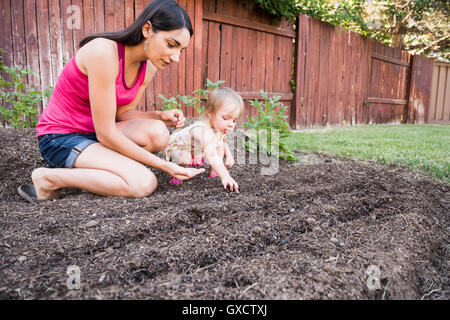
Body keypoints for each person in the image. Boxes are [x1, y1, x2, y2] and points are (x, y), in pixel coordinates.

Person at [17, 0, 205, 204]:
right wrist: (166, 166)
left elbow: (122, 114)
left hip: (93, 134)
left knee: (158, 133)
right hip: (61, 138)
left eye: (181, 50)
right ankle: (49, 179)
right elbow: (106, 133)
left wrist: (159, 116)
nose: (176, 58)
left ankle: (108, 166)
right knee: (143, 183)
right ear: (147, 29)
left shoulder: (148, 67)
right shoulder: (104, 52)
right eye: (171, 45)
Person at [163, 87, 244, 193]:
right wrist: (226, 176)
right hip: (178, 149)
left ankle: (214, 173)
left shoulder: (219, 128)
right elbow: (211, 155)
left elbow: (222, 141)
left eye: (234, 120)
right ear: (210, 112)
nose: (230, 124)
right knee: (185, 158)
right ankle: (177, 174)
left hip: (195, 152)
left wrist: (228, 156)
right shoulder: (203, 130)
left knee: (219, 145)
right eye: (226, 118)